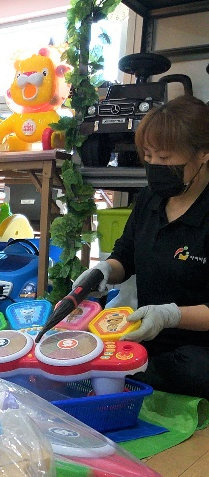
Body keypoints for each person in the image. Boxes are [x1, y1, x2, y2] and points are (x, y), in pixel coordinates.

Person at [73, 95, 209, 398]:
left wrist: (171, 316)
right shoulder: (150, 199)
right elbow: (125, 257)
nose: (154, 166)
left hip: (198, 351)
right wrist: (103, 271)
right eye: (148, 156)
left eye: (165, 157)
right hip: (143, 338)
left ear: (203, 153)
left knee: (195, 369)